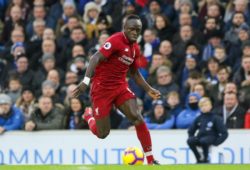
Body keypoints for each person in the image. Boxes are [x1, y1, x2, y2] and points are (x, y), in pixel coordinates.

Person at [72, 14, 161, 165]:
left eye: (138, 30)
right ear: (125, 29)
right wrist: (86, 81)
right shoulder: (115, 40)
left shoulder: (135, 50)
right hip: (101, 90)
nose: (135, 32)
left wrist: (148, 89)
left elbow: (134, 73)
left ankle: (151, 160)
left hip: (120, 87)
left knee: (137, 118)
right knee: (103, 134)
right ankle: (89, 116)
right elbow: (95, 58)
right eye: (132, 29)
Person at [187, 97, 228, 163]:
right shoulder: (199, 118)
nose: (204, 107)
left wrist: (216, 143)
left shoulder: (216, 118)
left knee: (204, 141)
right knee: (190, 140)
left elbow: (224, 133)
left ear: (210, 106)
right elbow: (190, 131)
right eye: (202, 106)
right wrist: (191, 137)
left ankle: (206, 159)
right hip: (200, 138)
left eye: (206, 105)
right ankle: (198, 158)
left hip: (212, 137)